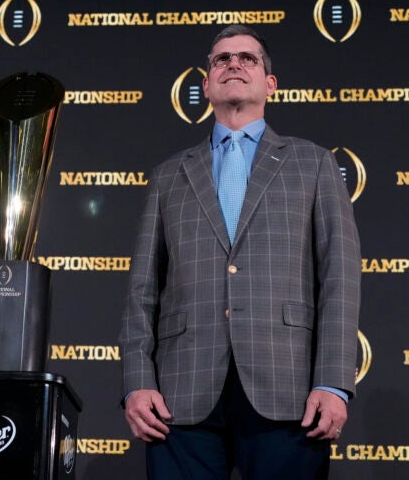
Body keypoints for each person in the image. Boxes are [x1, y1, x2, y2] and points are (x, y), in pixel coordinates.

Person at [119, 24, 361, 480]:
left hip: (288, 388)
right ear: (207, 85)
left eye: (247, 58)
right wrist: (137, 381)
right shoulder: (169, 175)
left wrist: (333, 382)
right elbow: (142, 290)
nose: (233, 64)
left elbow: (340, 278)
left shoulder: (314, 163)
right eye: (221, 59)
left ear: (270, 84)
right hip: (180, 393)